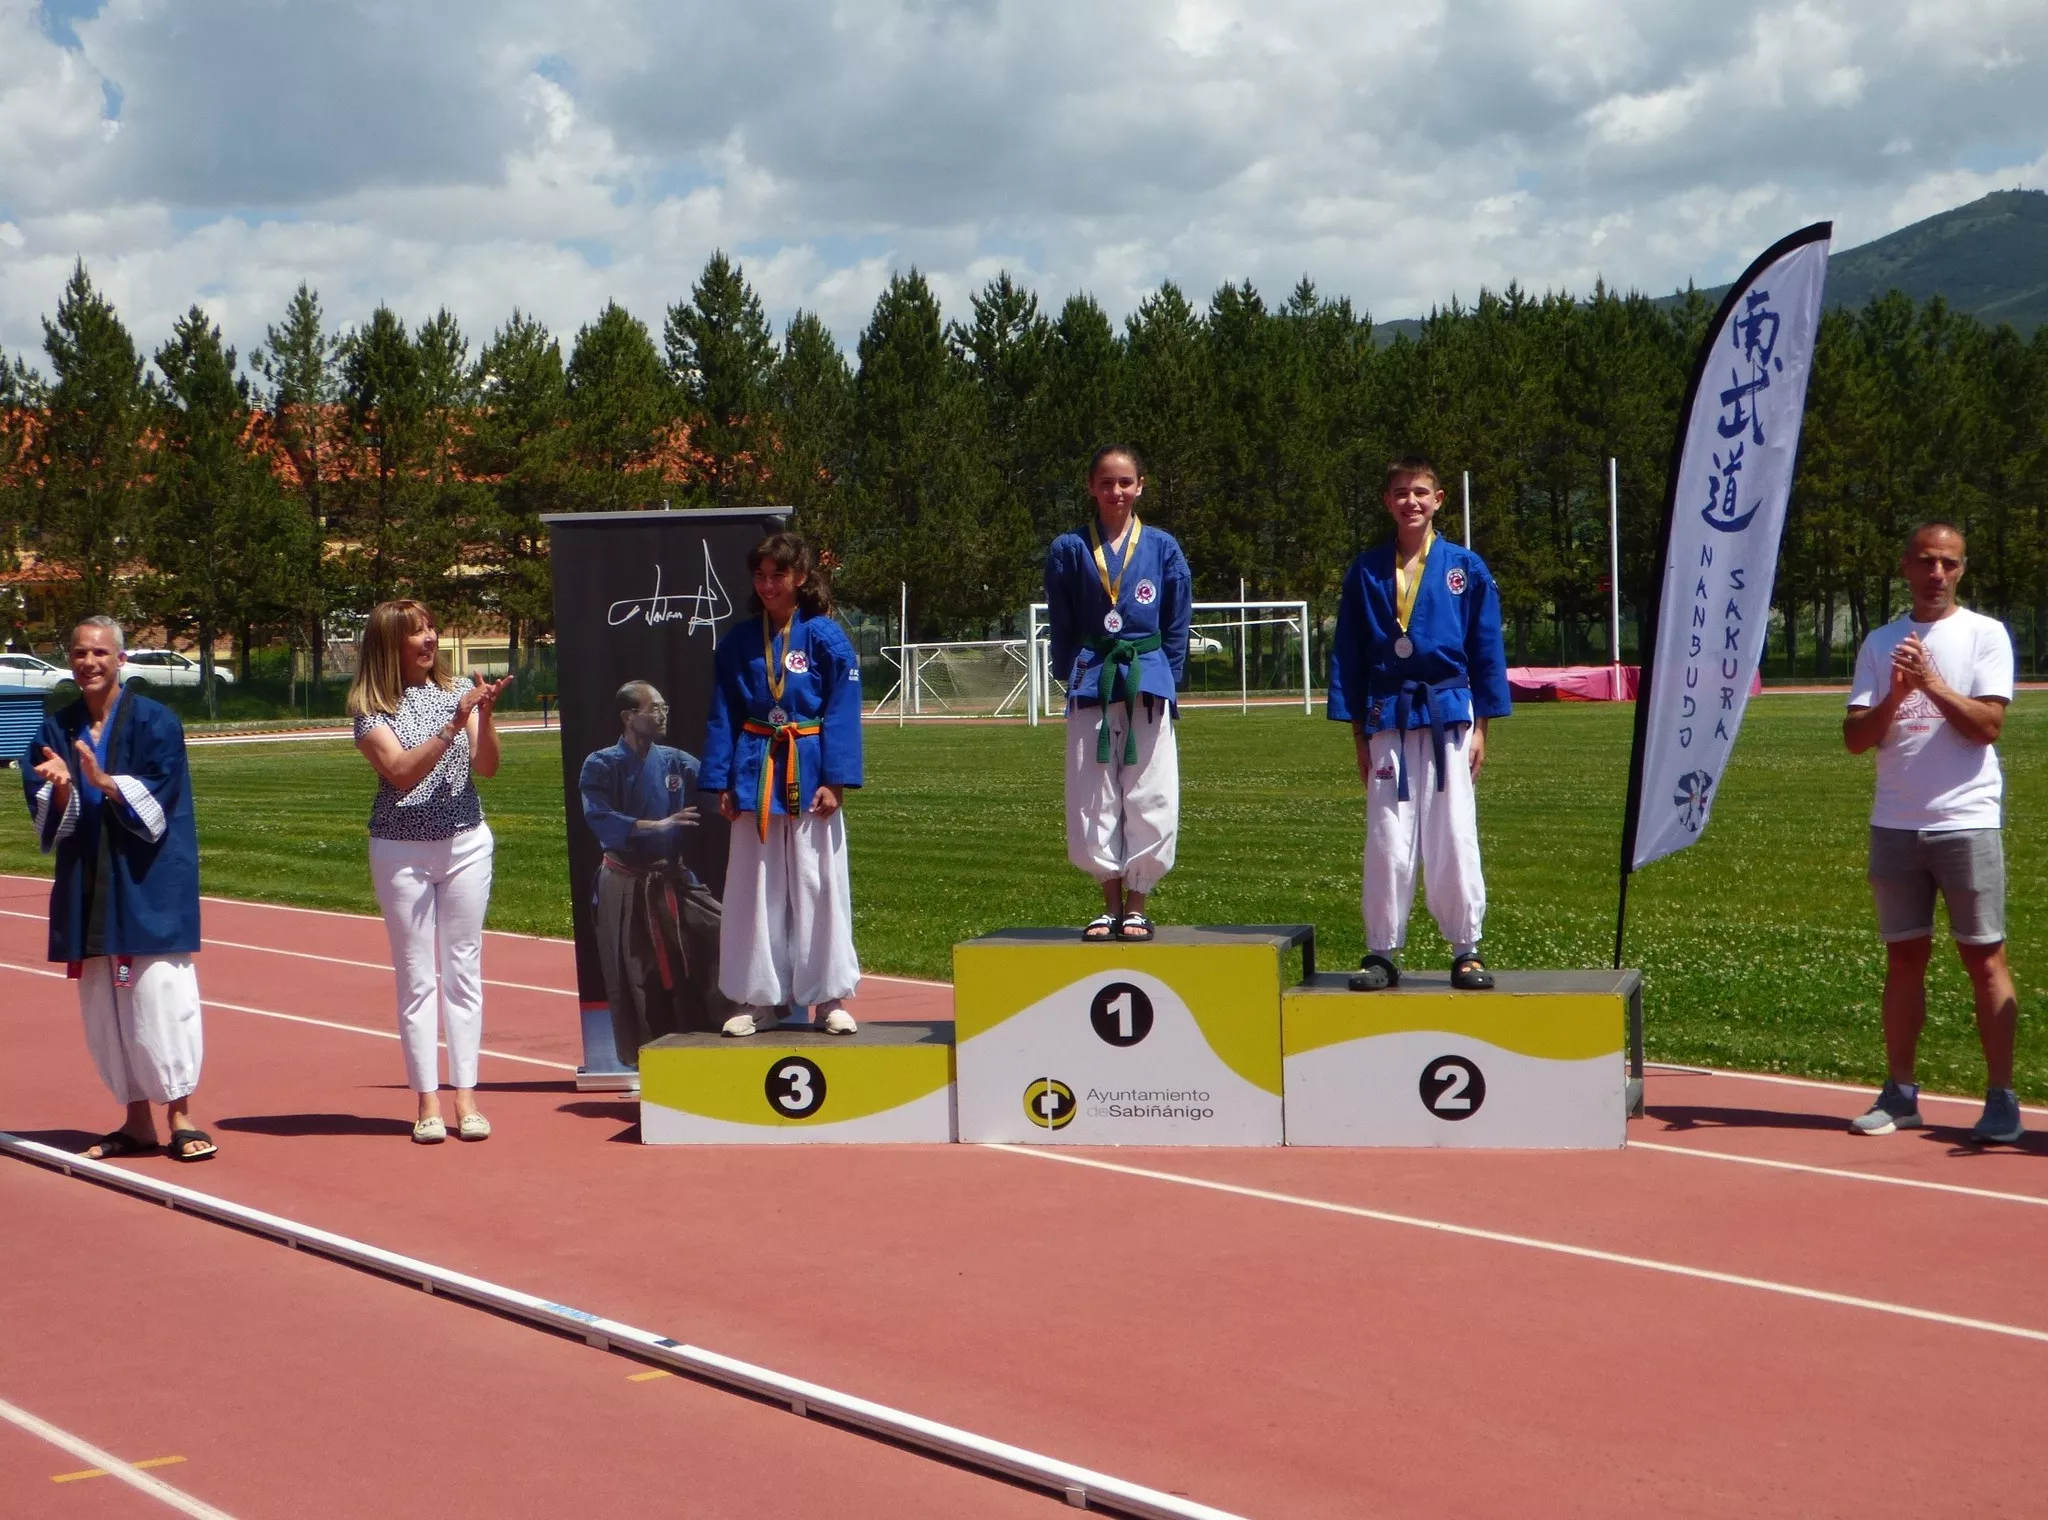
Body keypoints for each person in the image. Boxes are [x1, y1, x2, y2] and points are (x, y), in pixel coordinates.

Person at [1843, 522, 2022, 1143]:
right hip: (1896, 822)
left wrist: (1933, 684)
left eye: (1948, 563)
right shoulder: (1881, 640)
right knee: (1904, 959)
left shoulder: (1985, 635)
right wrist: (1895, 695)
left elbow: (1988, 726)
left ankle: (2000, 1097)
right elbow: (1856, 740)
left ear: (1962, 570)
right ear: (1906, 567)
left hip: (1965, 819)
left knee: (1984, 958)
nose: (1937, 574)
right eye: (1926, 562)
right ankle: (1901, 1093)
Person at [21, 616, 214, 1162]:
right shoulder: (56, 729)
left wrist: (109, 784)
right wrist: (60, 788)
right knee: (106, 1002)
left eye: (100, 653)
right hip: (88, 880)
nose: (89, 662)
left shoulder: (156, 722)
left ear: (121, 660)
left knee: (159, 997)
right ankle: (136, 1122)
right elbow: (46, 807)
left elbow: (162, 795)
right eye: (79, 653)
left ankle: (181, 1116)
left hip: (147, 877)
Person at [1329, 454, 1512, 992]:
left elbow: (1485, 650)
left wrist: (1482, 728)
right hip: (1387, 714)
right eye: (1401, 493)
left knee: (1453, 831)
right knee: (1388, 836)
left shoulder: (1464, 567)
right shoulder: (1365, 571)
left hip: (1448, 714)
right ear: (1387, 501)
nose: (1411, 501)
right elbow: (1349, 656)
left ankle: (1466, 948)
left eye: (1420, 492)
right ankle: (1382, 950)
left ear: (1438, 501)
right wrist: (1358, 733)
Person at [348, 601, 513, 1143]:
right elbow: (398, 772)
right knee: (418, 979)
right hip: (401, 851)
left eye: (429, 628)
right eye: (414, 632)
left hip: (466, 844)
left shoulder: (457, 691)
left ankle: (467, 1097)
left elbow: (487, 767)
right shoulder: (371, 710)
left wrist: (483, 715)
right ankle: (427, 1103)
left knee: (463, 970)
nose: (428, 639)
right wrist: (453, 721)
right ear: (388, 645)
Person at [701, 532, 863, 1037]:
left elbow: (842, 710)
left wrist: (836, 781)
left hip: (810, 764)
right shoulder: (738, 642)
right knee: (755, 886)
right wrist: (722, 780)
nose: (768, 584)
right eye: (760, 575)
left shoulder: (826, 636)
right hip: (755, 768)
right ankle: (759, 999)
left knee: (818, 884)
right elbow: (723, 712)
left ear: (799, 578)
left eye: (778, 575)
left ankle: (828, 997)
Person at [1044, 445, 1192, 942]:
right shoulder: (1069, 548)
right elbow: (1061, 619)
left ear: (1140, 485)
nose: (1116, 491)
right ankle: (1107, 903)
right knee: (1093, 792)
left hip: (1146, 677)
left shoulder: (1163, 547)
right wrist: (1072, 674)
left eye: (1125, 482)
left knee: (1150, 792)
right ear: (1091, 487)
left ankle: (1138, 904)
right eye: (1106, 482)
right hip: (1092, 678)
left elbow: (1176, 622)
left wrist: (1166, 677)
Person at [578, 681, 728, 1063]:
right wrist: (656, 825)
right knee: (637, 974)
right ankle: (647, 1060)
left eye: (664, 707)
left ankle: (720, 1034)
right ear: (629, 717)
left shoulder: (677, 761)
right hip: (626, 881)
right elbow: (599, 817)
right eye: (653, 708)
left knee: (721, 933)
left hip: (672, 876)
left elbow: (718, 794)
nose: (663, 714)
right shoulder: (601, 763)